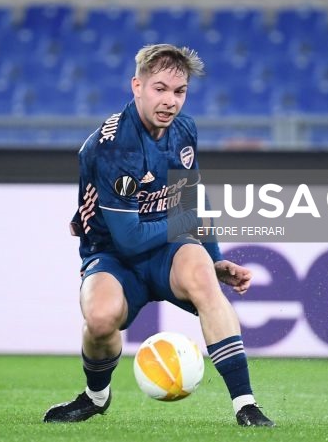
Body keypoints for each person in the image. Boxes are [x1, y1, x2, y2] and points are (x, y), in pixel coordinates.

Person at [42, 44, 274, 427]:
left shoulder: (184, 129)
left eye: (179, 92)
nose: (170, 101)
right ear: (137, 86)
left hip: (167, 251)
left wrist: (212, 257)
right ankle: (96, 397)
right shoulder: (114, 145)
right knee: (99, 320)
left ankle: (245, 405)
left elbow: (191, 195)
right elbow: (130, 238)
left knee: (203, 277)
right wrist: (185, 225)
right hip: (114, 255)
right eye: (160, 89)